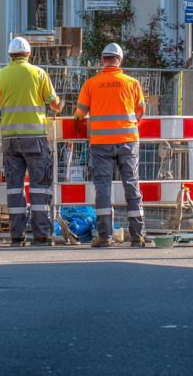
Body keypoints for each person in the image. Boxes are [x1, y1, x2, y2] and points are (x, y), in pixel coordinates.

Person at [0, 37, 63, 247]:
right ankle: (41, 234)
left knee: (14, 188)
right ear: (28, 54)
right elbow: (54, 104)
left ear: (10, 55)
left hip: (10, 140)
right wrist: (60, 105)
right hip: (35, 139)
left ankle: (17, 235)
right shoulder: (39, 74)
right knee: (39, 187)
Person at [74, 43, 148, 247]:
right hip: (127, 143)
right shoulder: (132, 83)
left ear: (102, 60)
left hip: (101, 145)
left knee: (103, 190)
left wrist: (79, 116)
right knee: (131, 185)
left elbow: (80, 113)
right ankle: (137, 236)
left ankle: (105, 237)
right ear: (120, 60)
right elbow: (141, 111)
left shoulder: (91, 84)